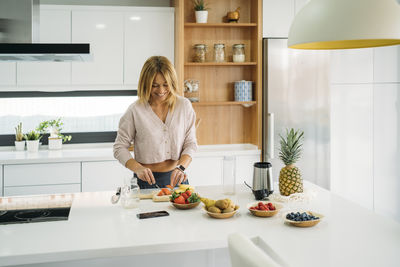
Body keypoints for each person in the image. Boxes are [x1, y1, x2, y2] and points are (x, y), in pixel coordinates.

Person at [113, 56, 198, 189]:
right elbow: (119, 147)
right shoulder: (135, 110)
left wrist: (181, 167)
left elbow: (191, 144)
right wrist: (137, 169)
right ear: (146, 84)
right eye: (155, 85)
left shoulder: (184, 106)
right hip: (146, 182)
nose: (161, 91)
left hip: (178, 179)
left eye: (166, 85)